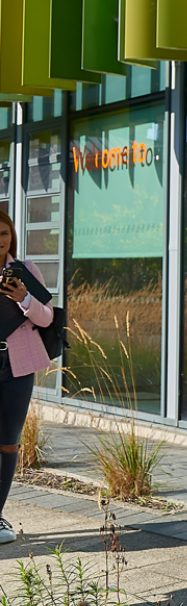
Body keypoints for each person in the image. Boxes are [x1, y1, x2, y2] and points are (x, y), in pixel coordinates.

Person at [0, 210, 52, 544]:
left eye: (4, 234)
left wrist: (25, 300)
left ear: (11, 237)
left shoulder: (24, 269)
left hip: (16, 368)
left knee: (7, 442)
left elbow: (46, 317)